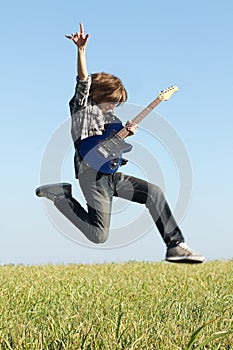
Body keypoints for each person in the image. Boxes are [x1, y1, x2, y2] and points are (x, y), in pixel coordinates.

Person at [36, 23, 204, 263]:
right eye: (111, 101)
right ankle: (61, 196)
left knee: (153, 193)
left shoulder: (111, 119)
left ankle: (175, 245)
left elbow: (108, 147)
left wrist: (126, 134)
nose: (113, 107)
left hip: (111, 175)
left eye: (116, 103)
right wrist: (81, 52)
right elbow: (83, 82)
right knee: (98, 235)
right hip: (90, 176)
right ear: (99, 94)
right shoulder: (81, 107)